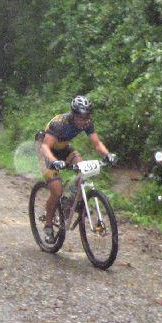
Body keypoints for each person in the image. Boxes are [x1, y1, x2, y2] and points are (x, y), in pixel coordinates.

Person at [36, 96, 117, 242]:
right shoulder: (59, 123)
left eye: (87, 117)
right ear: (73, 115)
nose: (84, 120)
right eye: (80, 117)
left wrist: (107, 154)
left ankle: (70, 202)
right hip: (46, 151)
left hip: (63, 148)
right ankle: (48, 226)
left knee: (83, 169)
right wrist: (55, 162)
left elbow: (97, 143)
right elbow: (45, 146)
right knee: (57, 190)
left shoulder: (86, 123)